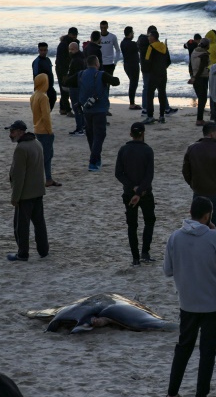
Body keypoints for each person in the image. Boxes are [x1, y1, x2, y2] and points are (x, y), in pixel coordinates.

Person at [164, 196, 216, 397]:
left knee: (183, 348)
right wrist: (214, 231)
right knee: (207, 352)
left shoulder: (175, 237)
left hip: (187, 302)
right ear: (208, 215)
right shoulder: (213, 236)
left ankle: (172, 394)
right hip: (211, 303)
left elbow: (168, 270)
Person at [115, 122, 156, 265]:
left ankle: (135, 258)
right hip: (145, 192)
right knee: (149, 221)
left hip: (129, 193)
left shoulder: (123, 150)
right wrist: (139, 191)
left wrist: (133, 188)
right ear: (143, 134)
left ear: (131, 134)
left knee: (132, 225)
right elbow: (149, 175)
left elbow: (118, 174)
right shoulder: (147, 150)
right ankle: (145, 252)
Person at [7, 120, 49, 261]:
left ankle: (22, 253)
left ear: (20, 132)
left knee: (21, 227)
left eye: (12, 131)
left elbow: (19, 176)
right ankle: (43, 250)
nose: (10, 134)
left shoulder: (21, 148)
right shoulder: (37, 143)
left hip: (25, 194)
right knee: (39, 224)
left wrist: (15, 197)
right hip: (38, 191)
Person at [182, 121, 216, 234]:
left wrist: (193, 184)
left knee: (198, 223)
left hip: (199, 192)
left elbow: (186, 171)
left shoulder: (192, 148)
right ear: (211, 134)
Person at [72, 55, 120, 172]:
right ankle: (93, 162)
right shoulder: (101, 74)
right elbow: (116, 82)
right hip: (99, 110)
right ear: (97, 64)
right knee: (99, 135)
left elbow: (67, 81)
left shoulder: (81, 74)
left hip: (86, 110)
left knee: (91, 135)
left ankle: (96, 159)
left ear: (87, 64)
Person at [30, 73, 59, 186]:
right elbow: (46, 115)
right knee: (47, 156)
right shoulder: (43, 97)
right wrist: (49, 130)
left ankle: (48, 178)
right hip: (44, 130)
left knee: (43, 155)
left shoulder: (34, 96)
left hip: (37, 128)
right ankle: (46, 179)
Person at [143, 29, 172, 124]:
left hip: (154, 74)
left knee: (149, 94)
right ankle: (162, 116)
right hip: (163, 73)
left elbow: (147, 61)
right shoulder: (164, 46)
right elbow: (169, 61)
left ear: (153, 38)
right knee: (162, 94)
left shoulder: (151, 47)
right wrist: (163, 68)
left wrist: (148, 70)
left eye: (149, 36)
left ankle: (150, 116)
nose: (148, 37)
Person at [55, 27, 78, 115]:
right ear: (69, 34)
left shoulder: (74, 43)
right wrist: (64, 73)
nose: (74, 37)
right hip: (62, 69)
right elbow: (60, 60)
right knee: (64, 89)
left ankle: (62, 108)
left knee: (65, 89)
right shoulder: (63, 44)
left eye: (75, 35)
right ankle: (67, 110)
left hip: (68, 68)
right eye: (73, 35)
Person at [65, 41, 87, 136]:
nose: (70, 51)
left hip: (75, 86)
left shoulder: (76, 60)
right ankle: (83, 126)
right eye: (70, 49)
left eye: (72, 49)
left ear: (76, 49)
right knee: (79, 107)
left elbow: (77, 74)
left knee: (76, 107)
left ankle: (80, 128)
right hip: (79, 86)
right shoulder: (81, 58)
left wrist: (68, 80)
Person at [189, 38, 211, 126]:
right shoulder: (204, 55)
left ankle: (200, 118)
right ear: (207, 45)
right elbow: (201, 68)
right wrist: (194, 77)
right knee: (203, 99)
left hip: (195, 76)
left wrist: (192, 75)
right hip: (201, 78)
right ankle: (199, 119)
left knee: (200, 98)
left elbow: (190, 64)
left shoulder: (194, 51)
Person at [120, 26, 142, 109]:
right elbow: (139, 48)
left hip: (126, 65)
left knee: (132, 83)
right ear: (130, 34)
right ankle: (132, 104)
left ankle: (132, 103)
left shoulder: (122, 42)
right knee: (133, 84)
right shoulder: (132, 44)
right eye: (132, 33)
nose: (133, 34)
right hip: (133, 65)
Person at [32, 42, 57, 111]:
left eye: (45, 50)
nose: (43, 52)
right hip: (41, 88)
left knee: (53, 98)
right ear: (38, 51)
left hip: (50, 86)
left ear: (47, 50)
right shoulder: (37, 62)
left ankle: (47, 114)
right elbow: (36, 75)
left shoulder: (48, 60)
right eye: (41, 50)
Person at [99, 21, 122, 96]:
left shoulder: (112, 37)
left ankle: (106, 101)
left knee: (108, 84)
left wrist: (115, 63)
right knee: (99, 84)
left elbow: (118, 50)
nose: (103, 29)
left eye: (105, 27)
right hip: (99, 64)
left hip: (109, 64)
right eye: (101, 27)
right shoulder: (97, 37)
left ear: (107, 27)